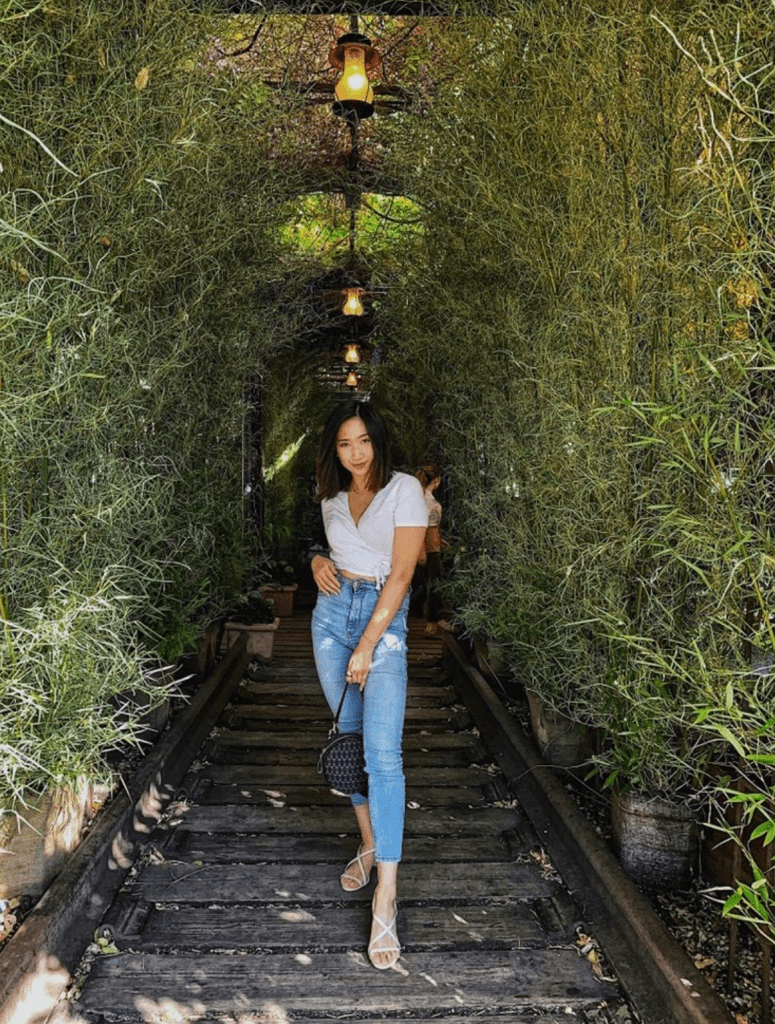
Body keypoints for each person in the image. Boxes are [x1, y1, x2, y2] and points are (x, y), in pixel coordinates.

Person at [310, 400, 428, 970]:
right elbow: (329, 549)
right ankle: (369, 840)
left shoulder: (404, 489)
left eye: (363, 441)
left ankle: (387, 892)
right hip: (330, 616)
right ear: (334, 450)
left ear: (377, 441)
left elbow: (403, 572)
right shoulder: (332, 498)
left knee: (383, 754)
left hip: (383, 620)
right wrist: (313, 561)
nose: (355, 453)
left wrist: (367, 645)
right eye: (344, 444)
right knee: (349, 741)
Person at [416, 465, 444, 634]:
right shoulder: (426, 501)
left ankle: (434, 620)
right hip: (428, 547)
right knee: (433, 584)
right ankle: (432, 623)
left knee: (431, 583)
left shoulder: (423, 499)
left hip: (432, 543)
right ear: (436, 481)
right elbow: (420, 528)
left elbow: (431, 526)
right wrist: (421, 551)